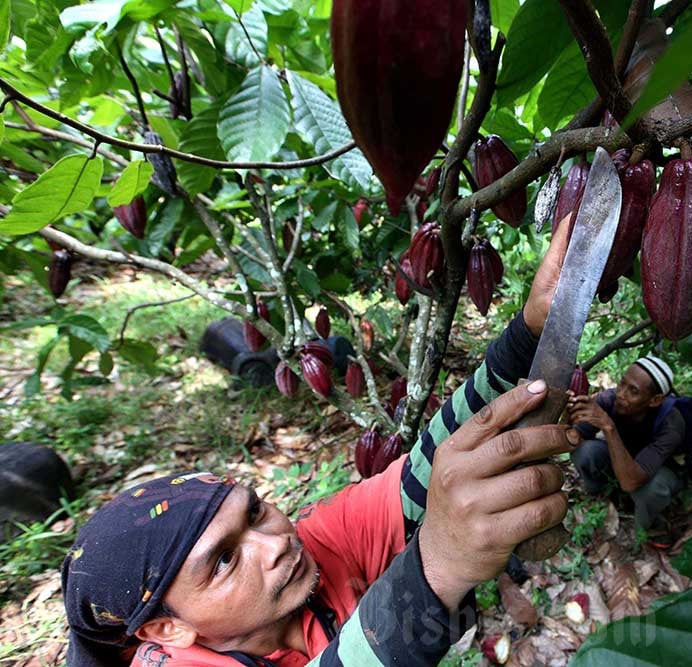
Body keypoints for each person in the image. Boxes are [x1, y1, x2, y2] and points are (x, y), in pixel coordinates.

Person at [61, 225, 577, 667]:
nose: (275, 543)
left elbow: (420, 476)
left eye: (257, 512)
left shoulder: (313, 546)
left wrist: (529, 332)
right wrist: (439, 564)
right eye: (221, 561)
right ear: (165, 631)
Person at [566, 355, 689, 530]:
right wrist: (568, 416)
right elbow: (572, 439)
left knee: (652, 490)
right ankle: (599, 494)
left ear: (655, 400)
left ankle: (646, 528)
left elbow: (630, 482)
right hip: (626, 458)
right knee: (584, 451)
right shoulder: (609, 400)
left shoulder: (671, 425)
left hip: (658, 470)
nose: (621, 394)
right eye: (622, 383)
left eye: (633, 391)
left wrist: (608, 426)